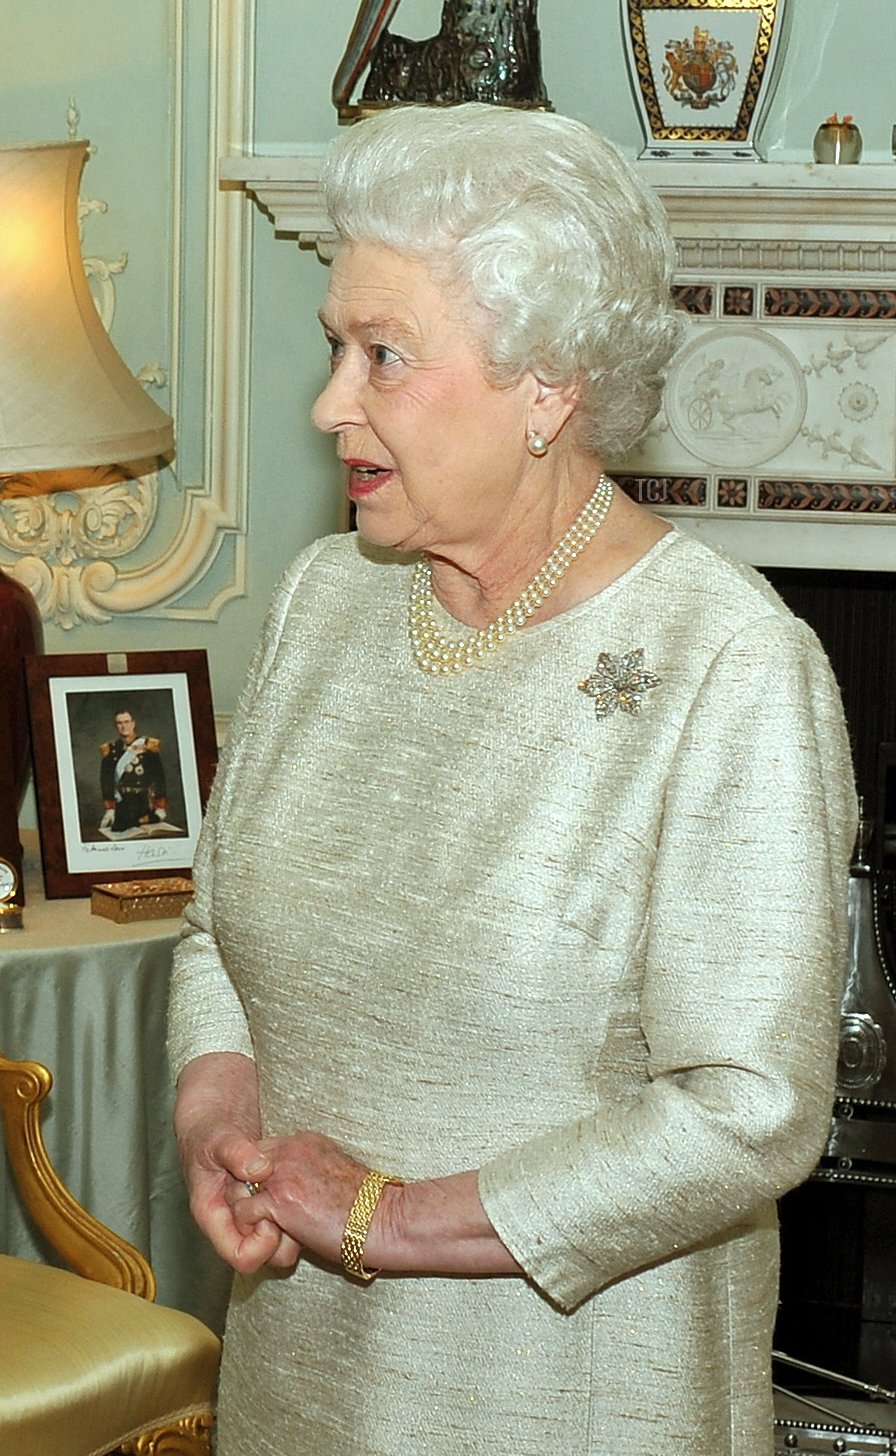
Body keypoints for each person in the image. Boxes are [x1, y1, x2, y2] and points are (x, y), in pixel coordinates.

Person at [168, 103, 856, 1456]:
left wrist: (389, 1219)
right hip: (297, 1380)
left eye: (384, 357)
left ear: (546, 384)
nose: (328, 405)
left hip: (571, 1400)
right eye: (332, 349)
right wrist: (215, 1106)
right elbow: (215, 930)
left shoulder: (729, 665)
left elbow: (749, 1111)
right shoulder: (326, 602)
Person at [99, 708, 168, 834]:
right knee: (118, 829)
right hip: (122, 804)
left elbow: (159, 777)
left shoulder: (148, 746)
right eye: (120, 723)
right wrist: (110, 809)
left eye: (126, 722)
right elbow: (106, 780)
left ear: (133, 723)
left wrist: (160, 806)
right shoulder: (110, 749)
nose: (124, 726)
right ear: (116, 726)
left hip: (144, 802)